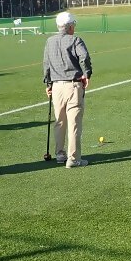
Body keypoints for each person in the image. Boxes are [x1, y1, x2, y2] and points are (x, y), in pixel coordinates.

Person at [43, 11, 92, 168]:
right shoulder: (75, 40)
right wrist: (87, 74)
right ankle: (74, 158)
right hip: (73, 85)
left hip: (56, 86)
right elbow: (84, 57)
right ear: (70, 26)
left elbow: (46, 64)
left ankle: (60, 154)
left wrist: (48, 84)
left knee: (60, 121)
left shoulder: (49, 41)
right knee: (74, 123)